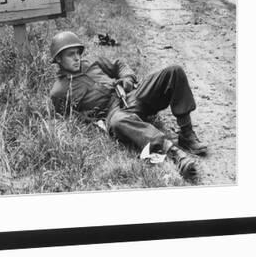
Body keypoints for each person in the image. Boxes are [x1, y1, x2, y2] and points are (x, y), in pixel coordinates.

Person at [48, 31, 208, 180]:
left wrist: (127, 79)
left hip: (130, 96)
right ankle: (174, 153)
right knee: (118, 122)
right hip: (113, 113)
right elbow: (70, 120)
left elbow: (119, 65)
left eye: (78, 53)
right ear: (59, 59)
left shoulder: (89, 63)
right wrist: (93, 120)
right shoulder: (59, 91)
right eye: (71, 55)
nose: (77, 58)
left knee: (174, 71)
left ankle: (187, 134)